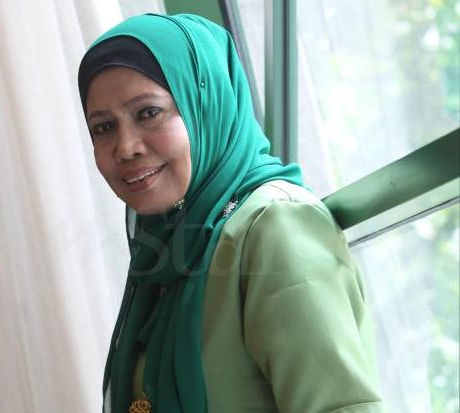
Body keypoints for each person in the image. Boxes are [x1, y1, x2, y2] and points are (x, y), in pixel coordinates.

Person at [78, 13, 385, 413]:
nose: (126, 147)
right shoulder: (172, 250)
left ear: (206, 104)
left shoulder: (275, 226)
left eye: (148, 113)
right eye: (103, 128)